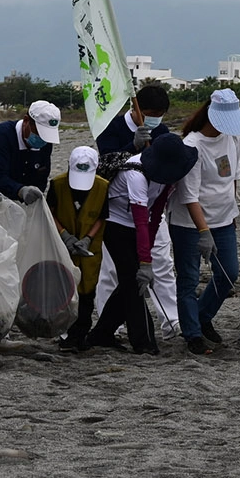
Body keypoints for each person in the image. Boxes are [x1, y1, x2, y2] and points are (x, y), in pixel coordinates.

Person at [87, 134, 199, 354]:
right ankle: (143, 342)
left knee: (132, 279)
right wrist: (146, 262)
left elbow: (154, 214)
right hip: (115, 223)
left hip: (138, 223)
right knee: (134, 281)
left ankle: (101, 333)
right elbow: (139, 219)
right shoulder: (135, 174)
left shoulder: (168, 176)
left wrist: (146, 255)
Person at [167, 89, 240, 354]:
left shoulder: (233, 139)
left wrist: (233, 211)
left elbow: (233, 177)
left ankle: (203, 316)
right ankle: (192, 334)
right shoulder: (192, 146)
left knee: (229, 272)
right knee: (189, 278)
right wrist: (203, 231)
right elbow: (189, 196)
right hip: (189, 224)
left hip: (223, 219)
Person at [94, 84, 178, 338]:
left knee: (162, 263)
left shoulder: (161, 131)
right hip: (117, 210)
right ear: (135, 107)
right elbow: (106, 163)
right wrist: (132, 147)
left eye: (160, 113)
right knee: (112, 271)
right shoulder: (111, 128)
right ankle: (111, 324)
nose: (155, 119)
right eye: (151, 112)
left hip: (150, 206)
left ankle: (171, 320)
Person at [51, 147, 111, 352]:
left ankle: (81, 334)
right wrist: (64, 235)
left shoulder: (103, 186)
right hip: (63, 245)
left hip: (90, 247)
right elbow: (50, 212)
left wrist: (87, 239)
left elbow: (102, 217)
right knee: (65, 288)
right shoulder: (57, 184)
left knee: (87, 290)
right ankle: (65, 334)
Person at [0, 99, 60, 203]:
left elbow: (42, 176)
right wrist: (20, 190)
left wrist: (35, 194)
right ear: (26, 121)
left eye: (46, 136)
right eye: (39, 133)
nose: (42, 139)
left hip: (20, 200)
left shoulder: (45, 144)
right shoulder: (1, 136)